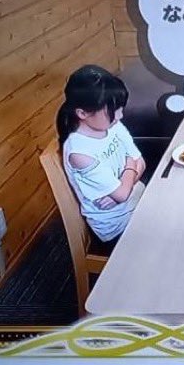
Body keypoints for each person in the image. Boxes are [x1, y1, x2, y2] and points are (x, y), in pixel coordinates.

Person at [56, 64, 147, 253]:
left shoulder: (112, 126)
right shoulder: (79, 153)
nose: (120, 116)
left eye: (120, 108)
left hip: (138, 201)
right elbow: (124, 189)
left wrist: (124, 185)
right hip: (117, 226)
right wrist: (130, 167)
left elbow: (141, 163)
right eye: (113, 111)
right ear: (82, 113)